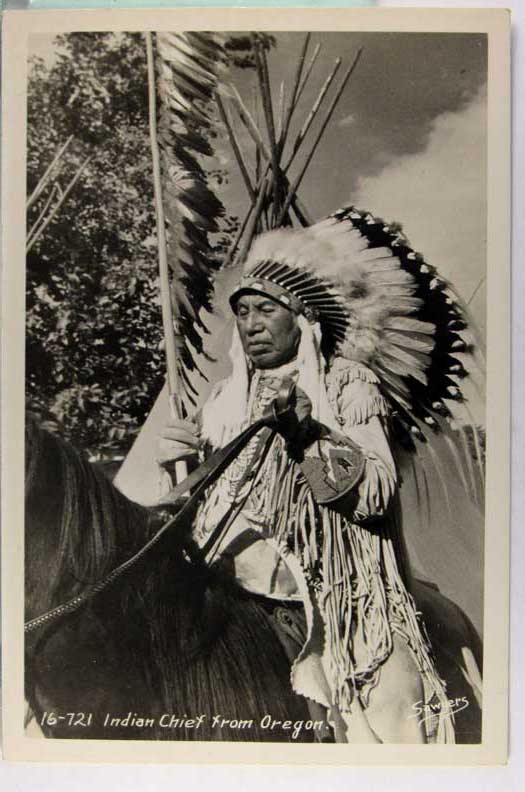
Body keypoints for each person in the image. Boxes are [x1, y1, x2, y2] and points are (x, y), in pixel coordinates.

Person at [158, 218, 455, 744]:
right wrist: (176, 465)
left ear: (302, 318)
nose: (251, 324)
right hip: (231, 590)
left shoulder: (348, 385)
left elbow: (375, 495)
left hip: (339, 598)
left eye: (266, 310)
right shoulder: (222, 401)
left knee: (391, 713)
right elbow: (201, 509)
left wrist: (308, 437)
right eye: (242, 312)